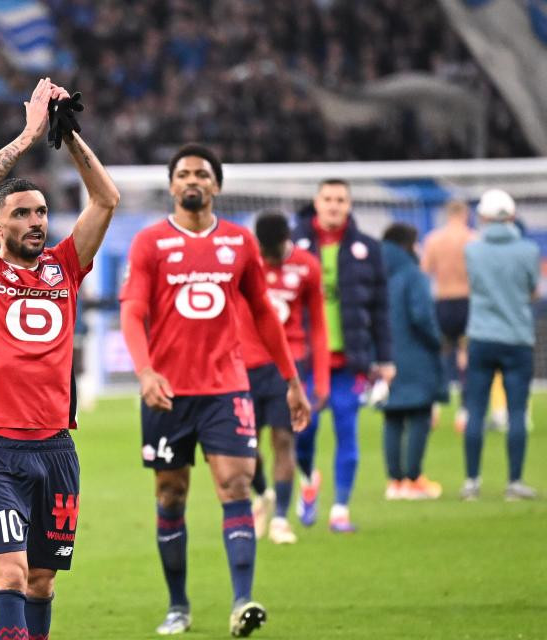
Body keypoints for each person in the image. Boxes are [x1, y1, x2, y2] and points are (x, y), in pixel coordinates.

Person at [0, 78, 119, 640]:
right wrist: (27, 135)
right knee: (9, 570)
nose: (36, 221)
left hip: (56, 449)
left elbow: (106, 200)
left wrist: (68, 135)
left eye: (42, 212)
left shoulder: (65, 267)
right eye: (22, 213)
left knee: (42, 582)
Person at [121, 144, 309, 637]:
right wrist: (144, 372)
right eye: (183, 173)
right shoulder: (149, 243)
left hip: (227, 388)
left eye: (202, 174)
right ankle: (178, 605)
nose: (192, 181)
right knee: (170, 495)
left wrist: (291, 379)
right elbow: (132, 312)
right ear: (171, 185)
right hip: (167, 393)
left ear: (217, 186)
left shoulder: (240, 243)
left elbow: (265, 315)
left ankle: (242, 601)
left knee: (236, 485)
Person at [291, 179, 393, 533]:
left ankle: (340, 508)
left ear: (349, 205)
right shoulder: (294, 245)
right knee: (305, 432)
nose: (334, 205)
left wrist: (386, 358)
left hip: (350, 361)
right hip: (304, 361)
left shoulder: (368, 248)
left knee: (347, 430)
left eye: (341, 200)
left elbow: (380, 308)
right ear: (316, 203)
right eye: (328, 199)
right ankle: (308, 479)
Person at [236, 212, 329, 544]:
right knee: (246, 448)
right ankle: (263, 494)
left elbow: (318, 325)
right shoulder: (244, 261)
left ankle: (279, 520)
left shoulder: (307, 266)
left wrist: (320, 380)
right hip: (243, 366)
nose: (269, 257)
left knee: (284, 441)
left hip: (286, 367)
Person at [460, 189, 539, 501]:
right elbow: (532, 290)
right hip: (517, 338)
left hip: (481, 336)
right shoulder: (528, 250)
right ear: (513, 215)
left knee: (476, 410)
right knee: (517, 412)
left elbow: (475, 285)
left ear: (483, 216)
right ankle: (514, 483)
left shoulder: (473, 250)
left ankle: (471, 482)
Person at [380, 223, 445, 500]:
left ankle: (395, 482)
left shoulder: (375, 272)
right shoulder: (411, 273)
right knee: (419, 414)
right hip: (415, 354)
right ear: (409, 244)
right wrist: (436, 340)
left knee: (392, 416)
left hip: (384, 355)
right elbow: (421, 316)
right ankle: (414, 478)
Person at [420, 200, 472, 431]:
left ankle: (433, 407)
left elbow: (424, 272)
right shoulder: (473, 239)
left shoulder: (434, 239)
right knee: (466, 357)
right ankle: (464, 412)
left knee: (438, 356)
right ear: (465, 213)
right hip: (467, 302)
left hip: (443, 301)